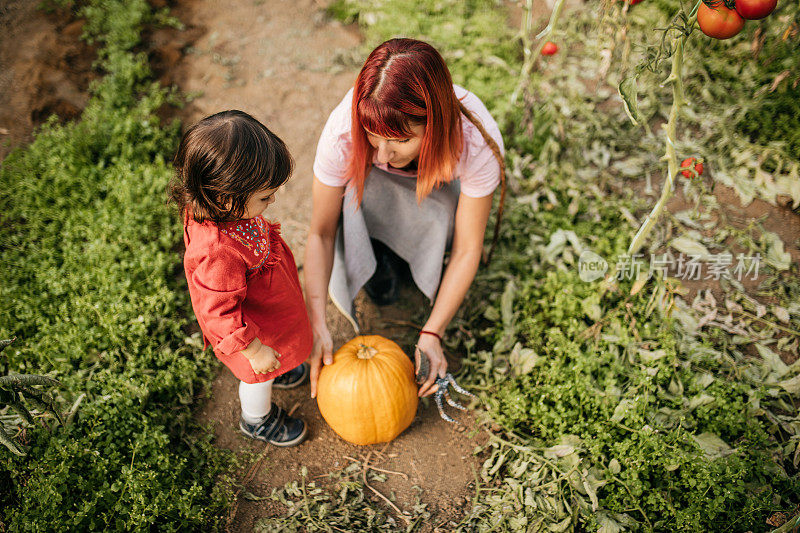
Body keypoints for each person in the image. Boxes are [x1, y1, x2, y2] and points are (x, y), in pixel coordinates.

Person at [304, 38, 505, 400]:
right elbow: (320, 231)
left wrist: (433, 332)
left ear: (435, 124)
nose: (382, 152)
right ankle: (378, 258)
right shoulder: (343, 132)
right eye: (372, 136)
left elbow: (467, 248)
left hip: (436, 196)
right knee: (350, 197)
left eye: (399, 140)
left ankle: (418, 255)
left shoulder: (477, 143)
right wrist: (316, 321)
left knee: (441, 212)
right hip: (372, 194)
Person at [170, 110, 312, 447]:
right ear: (223, 197)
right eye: (265, 197)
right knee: (257, 377)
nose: (273, 200)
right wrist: (253, 350)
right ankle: (257, 419)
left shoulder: (221, 210)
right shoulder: (218, 252)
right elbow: (218, 313)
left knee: (281, 343)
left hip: (267, 307)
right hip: (252, 329)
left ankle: (280, 362)